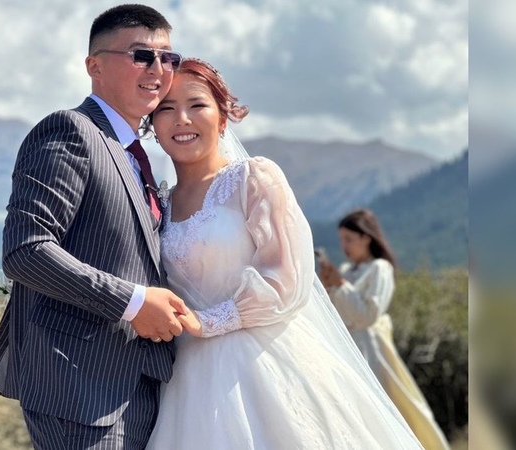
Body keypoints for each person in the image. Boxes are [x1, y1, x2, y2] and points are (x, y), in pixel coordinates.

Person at [144, 58, 423, 449]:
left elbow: (287, 280)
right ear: (153, 124)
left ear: (222, 117)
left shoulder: (254, 179)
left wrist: (208, 321)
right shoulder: (158, 202)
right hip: (184, 382)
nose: (182, 119)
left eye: (197, 105)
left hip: (264, 365)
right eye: (167, 108)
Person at [0, 5, 190, 449]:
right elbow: (27, 249)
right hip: (79, 391)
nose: (158, 69)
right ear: (95, 66)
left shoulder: (137, 156)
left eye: (168, 57)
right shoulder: (69, 130)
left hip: (140, 387)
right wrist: (133, 303)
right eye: (141, 55)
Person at [319, 208, 451, 450]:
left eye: (349, 239)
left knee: (382, 409)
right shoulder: (347, 269)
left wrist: (341, 286)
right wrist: (331, 286)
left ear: (366, 238)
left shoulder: (380, 268)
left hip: (371, 350)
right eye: (341, 240)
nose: (344, 246)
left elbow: (369, 315)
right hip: (347, 346)